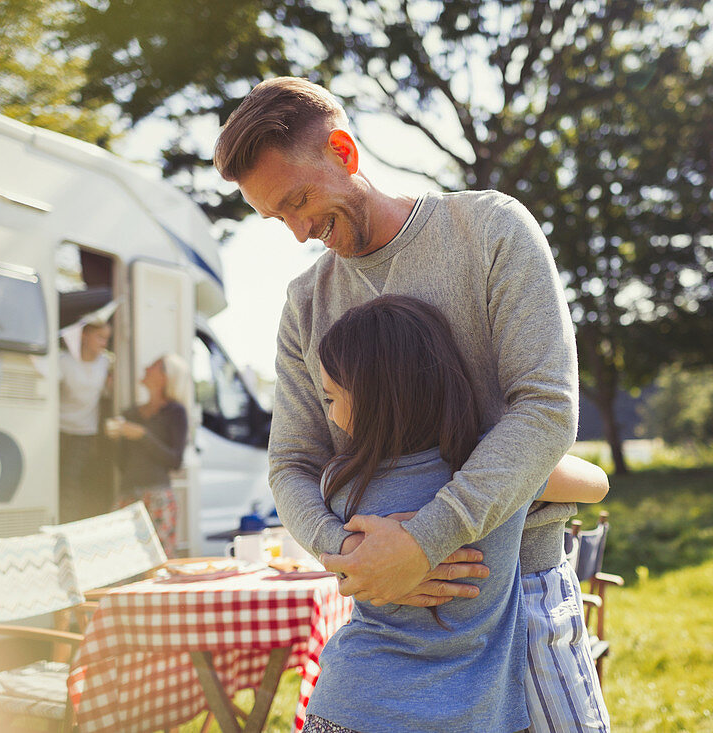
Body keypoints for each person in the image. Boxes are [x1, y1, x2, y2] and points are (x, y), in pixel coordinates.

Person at [214, 78, 600, 729]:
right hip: (390, 618)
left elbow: (546, 410)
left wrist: (424, 540)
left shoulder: (489, 230)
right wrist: (357, 558)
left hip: (522, 590)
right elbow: (292, 462)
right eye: (277, 216)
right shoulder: (306, 301)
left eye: (299, 200)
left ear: (344, 151)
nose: (299, 231)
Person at [306, 295, 608, 733]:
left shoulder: (339, 483)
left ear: (375, 397)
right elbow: (597, 483)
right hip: (471, 716)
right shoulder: (496, 475)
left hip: (348, 705)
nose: (328, 415)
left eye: (331, 398)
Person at [106, 352, 190, 555]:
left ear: (165, 377)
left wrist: (143, 435)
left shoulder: (175, 413)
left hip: (158, 498)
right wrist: (114, 440)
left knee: (157, 562)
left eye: (153, 366)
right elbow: (121, 463)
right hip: (128, 496)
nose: (145, 368)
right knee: (122, 560)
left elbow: (175, 461)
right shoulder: (130, 414)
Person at [58, 318, 112, 522]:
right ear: (84, 335)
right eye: (100, 337)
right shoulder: (64, 361)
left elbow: (108, 392)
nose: (104, 344)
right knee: (60, 481)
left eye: (107, 339)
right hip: (60, 429)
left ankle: (72, 524)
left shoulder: (106, 363)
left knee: (73, 482)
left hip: (85, 433)